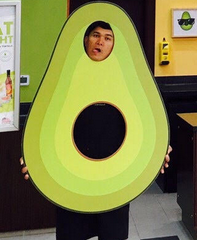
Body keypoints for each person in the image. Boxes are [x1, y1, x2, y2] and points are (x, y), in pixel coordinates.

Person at [20, 20, 172, 240]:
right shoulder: (66, 77)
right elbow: (46, 122)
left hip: (115, 177)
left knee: (113, 234)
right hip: (71, 176)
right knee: (71, 233)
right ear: (85, 40)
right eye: (95, 35)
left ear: (114, 46)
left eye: (108, 38)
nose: (100, 41)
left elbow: (145, 122)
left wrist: (157, 150)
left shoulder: (126, 80)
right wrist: (34, 158)